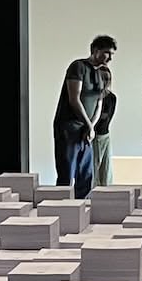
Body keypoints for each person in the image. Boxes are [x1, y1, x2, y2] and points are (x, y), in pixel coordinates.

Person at [53, 35, 115, 198]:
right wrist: (88, 125)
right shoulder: (78, 67)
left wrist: (91, 126)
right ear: (95, 50)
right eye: (107, 53)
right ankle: (62, 207)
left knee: (86, 174)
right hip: (69, 126)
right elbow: (74, 99)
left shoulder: (100, 74)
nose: (110, 58)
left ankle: (82, 209)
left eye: (112, 54)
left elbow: (99, 103)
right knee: (67, 172)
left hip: (86, 129)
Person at [93, 88, 118, 187]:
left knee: (106, 172)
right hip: (94, 136)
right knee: (94, 171)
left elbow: (106, 118)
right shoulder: (92, 96)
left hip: (105, 135)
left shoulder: (112, 98)